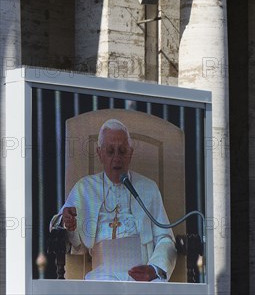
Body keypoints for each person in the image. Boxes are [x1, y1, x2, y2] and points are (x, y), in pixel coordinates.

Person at [50, 119, 177, 281]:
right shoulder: (84, 188)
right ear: (99, 153)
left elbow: (166, 238)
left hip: (144, 277)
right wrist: (66, 222)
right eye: (110, 151)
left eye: (122, 151)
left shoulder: (149, 188)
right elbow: (63, 230)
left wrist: (154, 269)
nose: (117, 158)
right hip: (102, 276)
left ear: (130, 153)